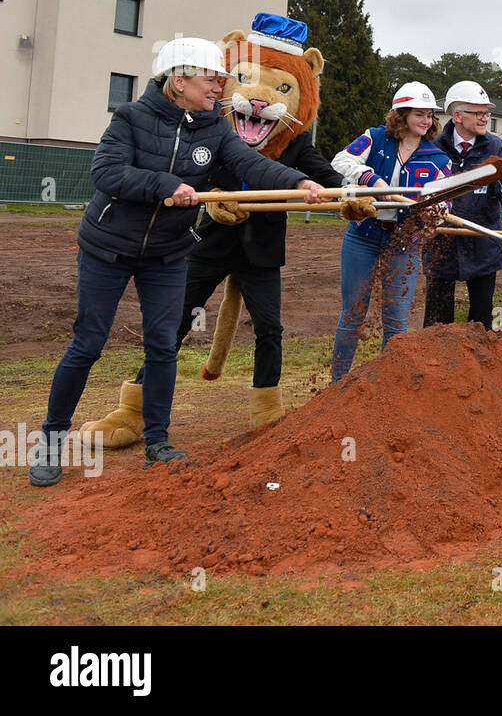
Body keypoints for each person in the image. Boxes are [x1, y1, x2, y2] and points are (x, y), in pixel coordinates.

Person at [30, 37, 326, 487]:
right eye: (211, 78)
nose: (218, 88)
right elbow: (106, 172)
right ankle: (51, 441)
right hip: (108, 248)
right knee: (87, 344)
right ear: (180, 78)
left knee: (163, 345)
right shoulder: (130, 117)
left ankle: (157, 441)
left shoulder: (214, 128)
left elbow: (252, 163)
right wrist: (164, 184)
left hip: (167, 254)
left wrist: (300, 181)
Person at [330, 82, 451, 380]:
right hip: (363, 236)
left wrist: (434, 216)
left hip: (404, 243)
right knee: (353, 313)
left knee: (396, 320)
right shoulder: (374, 138)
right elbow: (341, 160)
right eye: (420, 114)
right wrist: (371, 179)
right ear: (402, 114)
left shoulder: (437, 158)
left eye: (430, 116)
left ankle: (386, 386)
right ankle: (337, 382)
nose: (426, 121)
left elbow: (446, 202)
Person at [422, 81, 502, 330]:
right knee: (437, 323)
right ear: (458, 115)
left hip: (483, 242)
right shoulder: (433, 150)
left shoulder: (497, 150)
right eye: (479, 113)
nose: (485, 118)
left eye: (487, 113)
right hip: (441, 244)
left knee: (483, 320)